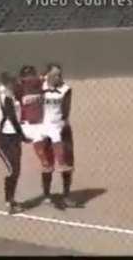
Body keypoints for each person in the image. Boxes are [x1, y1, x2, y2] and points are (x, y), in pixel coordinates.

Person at [35, 63, 77, 208]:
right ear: (47, 75)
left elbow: (66, 111)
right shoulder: (39, 87)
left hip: (61, 129)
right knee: (46, 163)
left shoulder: (66, 89)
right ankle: (47, 194)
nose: (58, 77)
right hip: (44, 130)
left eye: (59, 74)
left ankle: (66, 194)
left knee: (66, 162)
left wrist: (60, 126)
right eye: (54, 74)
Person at [0, 71, 28, 214]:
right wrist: (23, 135)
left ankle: (11, 200)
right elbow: (12, 118)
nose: (17, 84)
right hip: (2, 138)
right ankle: (9, 203)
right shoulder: (5, 98)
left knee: (16, 170)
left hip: (14, 138)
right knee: (12, 170)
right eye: (13, 82)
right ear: (8, 84)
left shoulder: (13, 97)